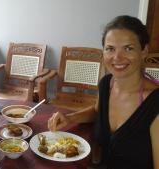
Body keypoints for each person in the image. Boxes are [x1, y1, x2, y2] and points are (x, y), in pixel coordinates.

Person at [48, 15, 159, 169]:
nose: (117, 57)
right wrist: (70, 118)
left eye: (128, 48)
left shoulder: (155, 103)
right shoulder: (106, 84)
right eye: (110, 49)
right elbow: (98, 111)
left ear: (144, 51)